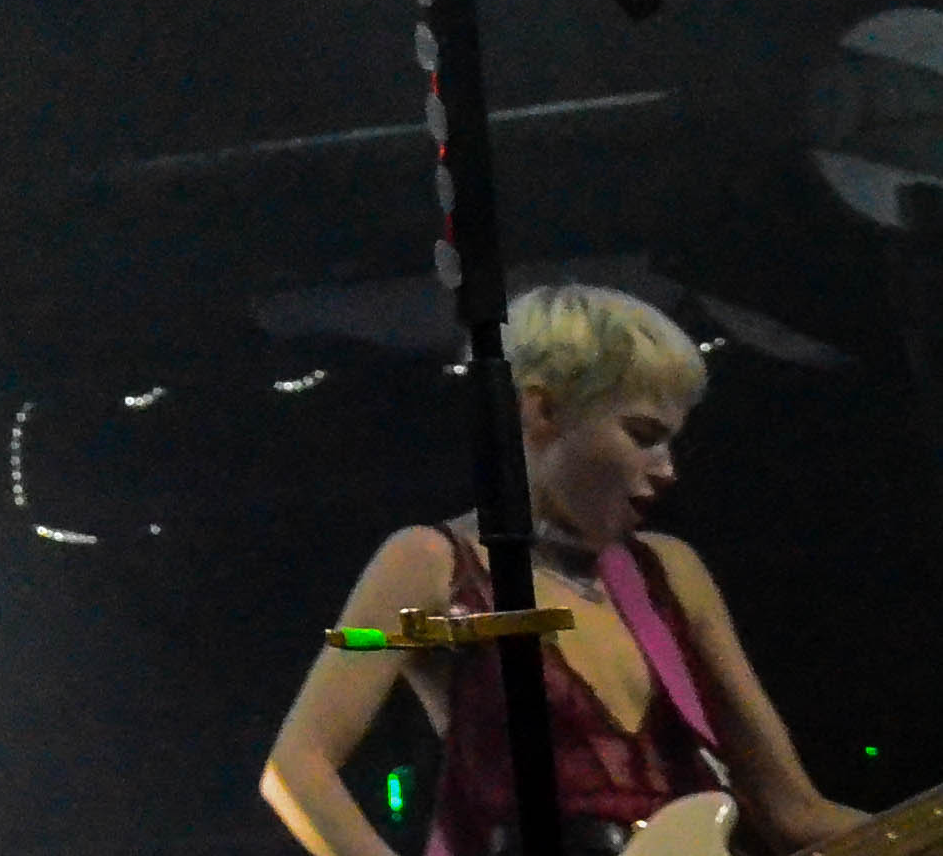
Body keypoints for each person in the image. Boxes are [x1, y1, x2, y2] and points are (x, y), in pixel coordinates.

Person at [262, 284, 868, 856]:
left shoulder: (671, 571)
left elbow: (792, 811)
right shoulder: (427, 562)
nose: (667, 471)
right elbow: (296, 766)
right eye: (643, 434)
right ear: (543, 411)